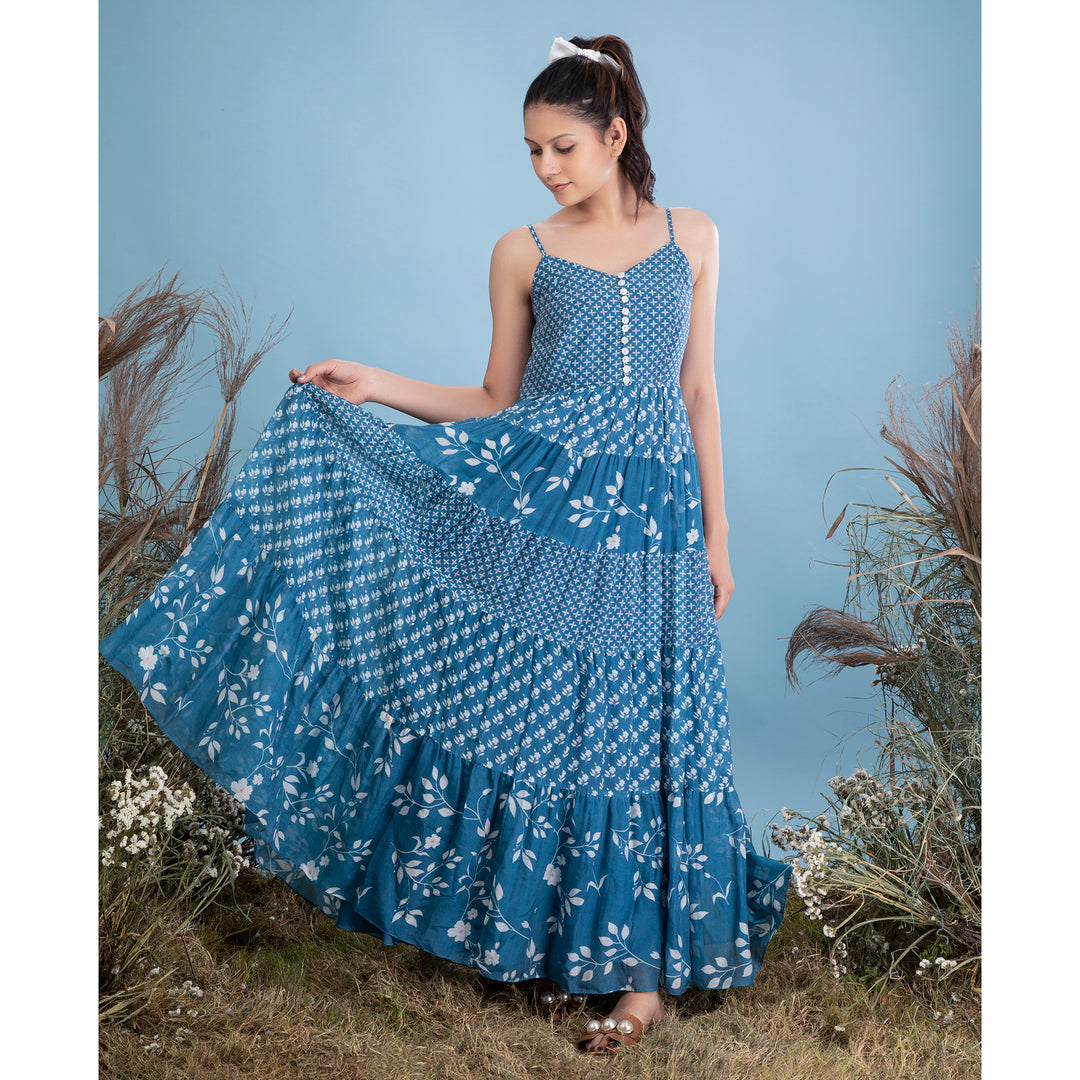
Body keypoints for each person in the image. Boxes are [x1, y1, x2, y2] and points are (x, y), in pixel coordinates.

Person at [100, 33, 792, 1055]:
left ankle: (640, 984)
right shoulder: (524, 251)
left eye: (562, 146)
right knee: (553, 725)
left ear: (616, 134)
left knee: (644, 728)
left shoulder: (694, 236)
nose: (546, 167)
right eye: (532, 151)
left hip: (657, 527)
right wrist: (375, 386)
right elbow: (496, 397)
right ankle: (563, 948)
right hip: (544, 519)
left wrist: (719, 534)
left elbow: (697, 390)